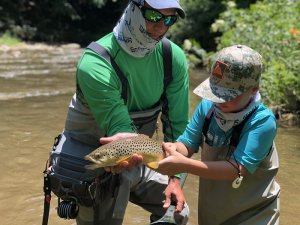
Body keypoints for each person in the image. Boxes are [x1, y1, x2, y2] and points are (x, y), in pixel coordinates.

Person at [48, 0, 190, 225]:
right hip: (93, 162)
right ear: (133, 9)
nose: (161, 25)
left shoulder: (173, 59)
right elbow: (118, 126)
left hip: (136, 156)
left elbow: (178, 126)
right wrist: (123, 153)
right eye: (154, 16)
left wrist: (176, 177)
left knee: (177, 212)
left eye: (169, 19)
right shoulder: (95, 63)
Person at [156, 44, 280, 225]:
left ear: (254, 89)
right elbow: (187, 144)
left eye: (228, 95)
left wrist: (186, 165)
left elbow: (236, 170)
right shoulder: (208, 108)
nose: (219, 100)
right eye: (215, 92)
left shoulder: (262, 121)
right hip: (215, 212)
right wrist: (169, 150)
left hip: (256, 214)